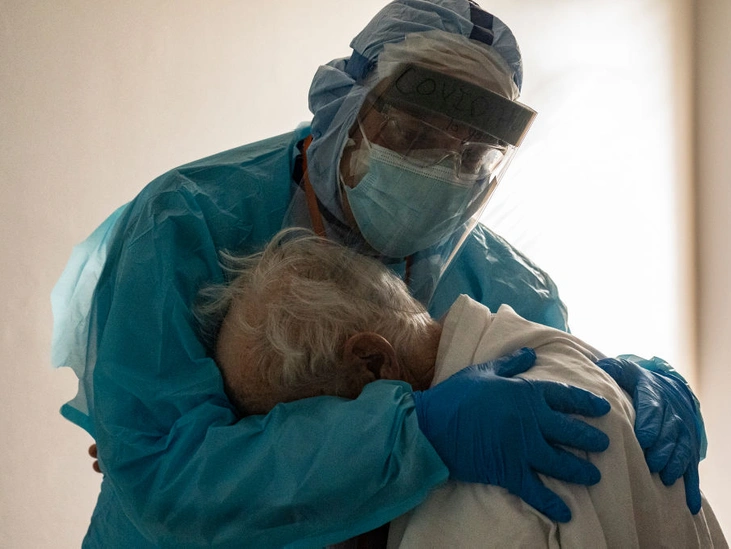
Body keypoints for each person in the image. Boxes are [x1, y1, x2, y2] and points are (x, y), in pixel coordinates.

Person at [51, 1, 706, 546]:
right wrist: (413, 433)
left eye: (472, 155)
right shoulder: (187, 223)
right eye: (414, 136)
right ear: (343, 105)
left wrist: (618, 383)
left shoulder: (504, 282)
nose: (441, 171)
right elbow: (164, 474)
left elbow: (552, 401)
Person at [201, 228, 726, 548]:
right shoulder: (559, 357)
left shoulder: (482, 497)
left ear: (373, 363)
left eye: (305, 425)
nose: (313, 467)